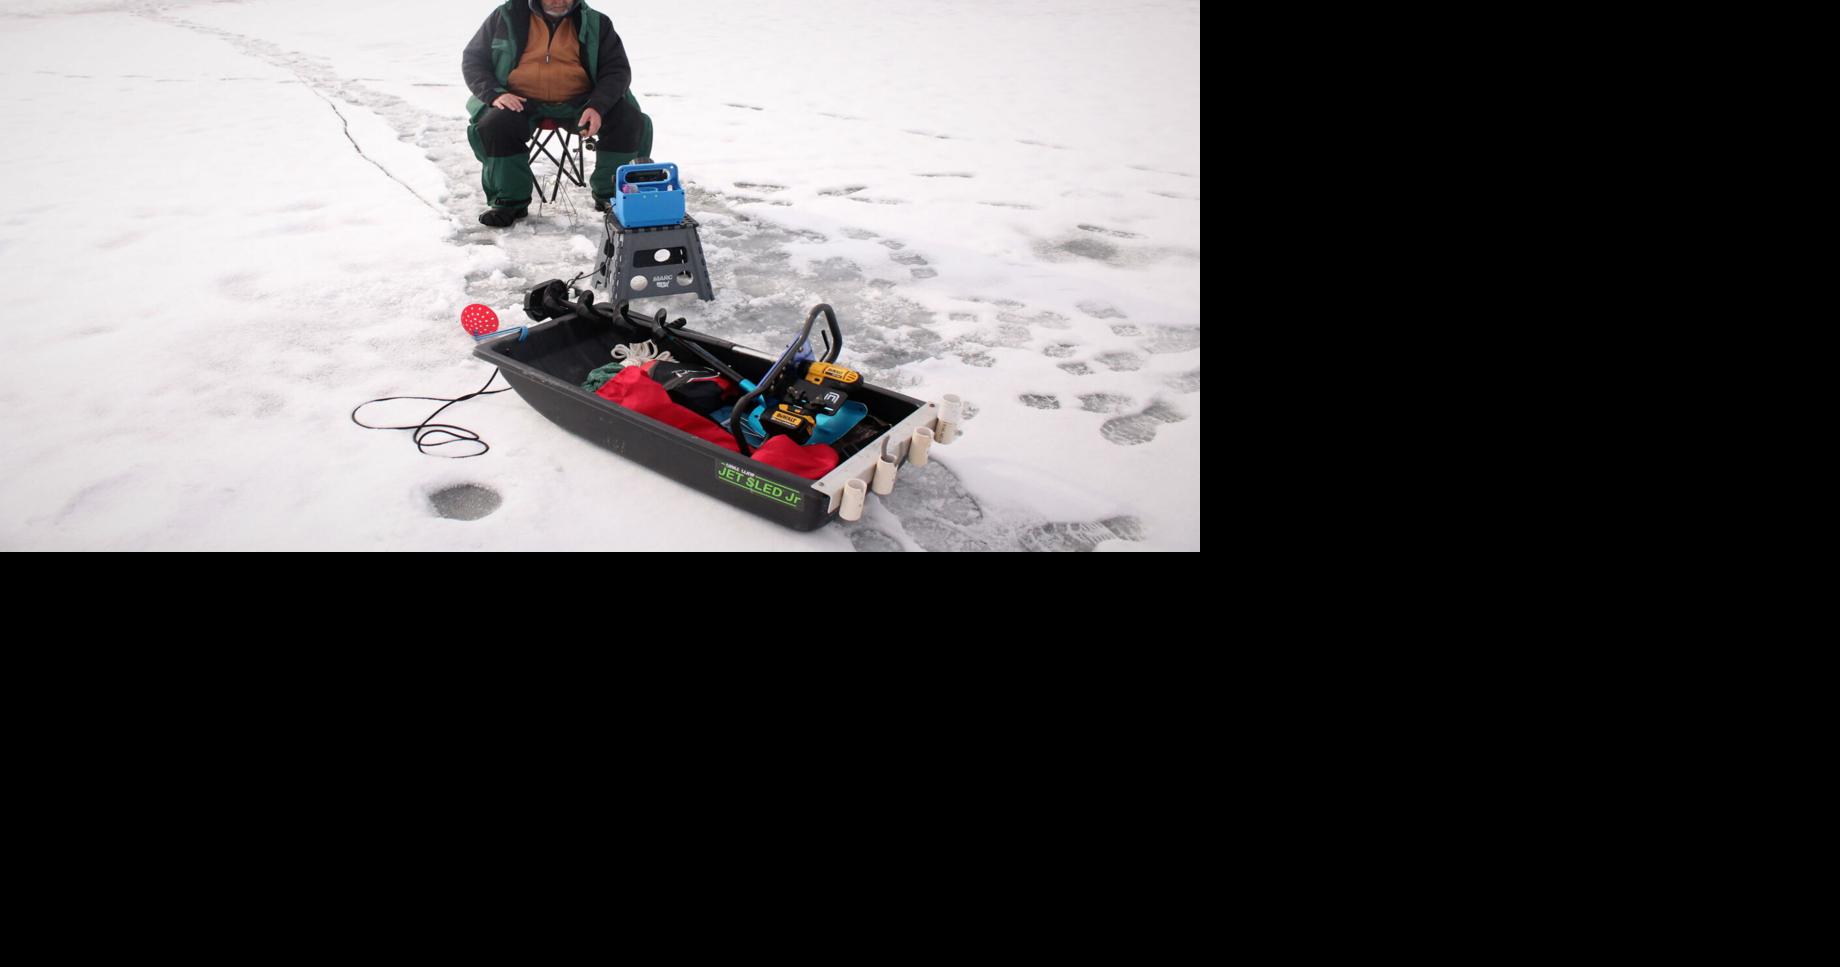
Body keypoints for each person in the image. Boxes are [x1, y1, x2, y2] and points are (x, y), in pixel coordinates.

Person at [463, 0, 654, 227]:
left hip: (580, 102)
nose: (558, 1)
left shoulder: (596, 22)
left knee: (627, 118)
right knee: (495, 125)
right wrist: (495, 95)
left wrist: (597, 106)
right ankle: (508, 201)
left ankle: (611, 194)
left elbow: (617, 71)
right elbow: (474, 60)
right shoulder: (505, 16)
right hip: (519, 100)